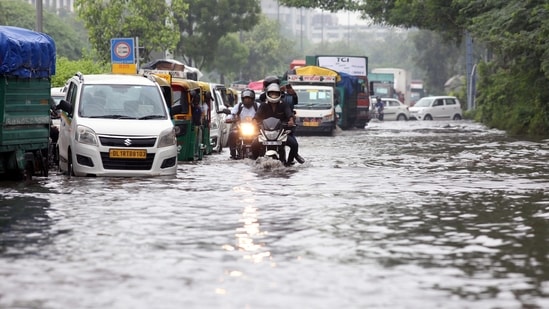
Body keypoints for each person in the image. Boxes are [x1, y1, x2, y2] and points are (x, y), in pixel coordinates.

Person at [252, 83, 304, 166]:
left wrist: (291, 121)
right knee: (254, 144)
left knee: (294, 145)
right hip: (265, 132)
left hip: (281, 132)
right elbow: (256, 116)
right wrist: (254, 123)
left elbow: (289, 114)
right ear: (267, 94)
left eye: (275, 94)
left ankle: (289, 162)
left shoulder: (284, 104)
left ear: (279, 94)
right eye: (271, 93)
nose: (273, 96)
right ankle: (255, 161)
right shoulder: (263, 105)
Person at [227, 89, 259, 159]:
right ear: (242, 99)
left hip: (255, 130)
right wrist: (229, 118)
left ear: (253, 99)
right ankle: (233, 154)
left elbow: (263, 114)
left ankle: (261, 154)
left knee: (263, 138)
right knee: (232, 134)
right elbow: (232, 114)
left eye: (249, 99)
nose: (247, 100)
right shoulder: (238, 106)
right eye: (245, 98)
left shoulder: (257, 106)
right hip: (241, 129)